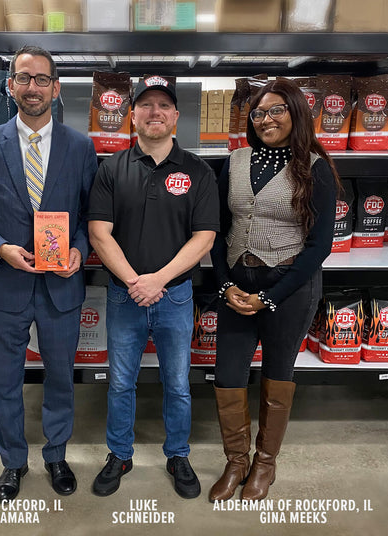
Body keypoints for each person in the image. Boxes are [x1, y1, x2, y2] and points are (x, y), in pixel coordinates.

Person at [0, 45, 97, 500]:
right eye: (23, 78)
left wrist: (78, 248)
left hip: (61, 287)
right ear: (9, 85)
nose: (31, 87)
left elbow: (93, 215)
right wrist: (0, 248)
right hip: (4, 285)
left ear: (56, 89)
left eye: (41, 79)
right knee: (6, 380)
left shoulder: (80, 147)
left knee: (59, 377)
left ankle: (56, 456)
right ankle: (13, 462)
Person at [87, 75, 219, 498]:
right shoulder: (111, 168)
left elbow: (205, 237)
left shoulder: (197, 170)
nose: (154, 112)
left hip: (176, 295)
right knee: (121, 381)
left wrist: (157, 281)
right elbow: (98, 233)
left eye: (163, 105)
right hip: (124, 295)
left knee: (177, 383)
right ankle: (119, 454)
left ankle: (178, 454)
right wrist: (133, 282)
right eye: (145, 105)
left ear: (176, 117)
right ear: (133, 116)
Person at [208, 78, 338, 501]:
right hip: (237, 283)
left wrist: (270, 296)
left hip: (289, 286)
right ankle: (235, 462)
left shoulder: (316, 166)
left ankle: (265, 464)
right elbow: (219, 231)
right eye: (260, 112)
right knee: (228, 376)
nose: (267, 119)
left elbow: (320, 245)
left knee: (278, 375)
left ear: (296, 113)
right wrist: (226, 283)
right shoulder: (236, 160)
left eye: (277, 110)